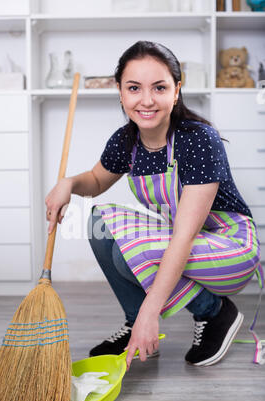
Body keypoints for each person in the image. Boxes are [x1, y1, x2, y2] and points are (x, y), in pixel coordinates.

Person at [45, 41, 263, 371]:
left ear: (176, 91)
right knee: (98, 224)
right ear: (120, 92)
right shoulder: (126, 140)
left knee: (129, 252)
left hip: (231, 247)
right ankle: (135, 325)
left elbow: (184, 236)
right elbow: (96, 179)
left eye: (159, 88)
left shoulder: (198, 139)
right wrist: (69, 185)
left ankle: (215, 313)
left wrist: (152, 311)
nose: (146, 100)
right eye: (134, 88)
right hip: (187, 242)